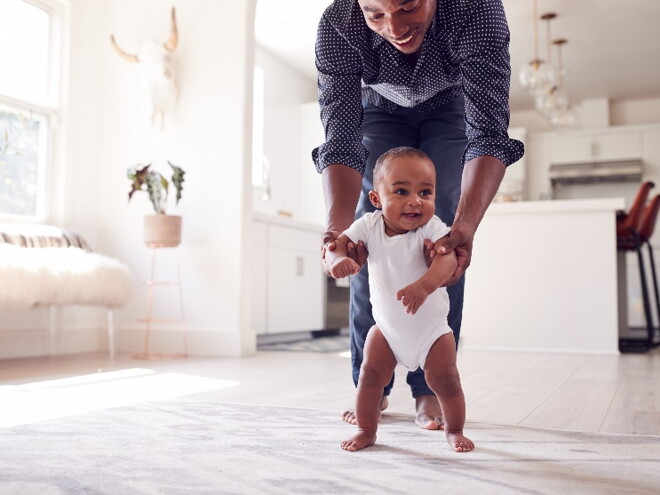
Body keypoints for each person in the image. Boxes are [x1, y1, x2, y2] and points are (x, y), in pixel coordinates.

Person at [312, 0, 524, 429]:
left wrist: (464, 226)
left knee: (441, 234)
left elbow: (487, 133)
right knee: (364, 238)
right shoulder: (338, 24)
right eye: (376, 14)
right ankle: (370, 383)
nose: (394, 27)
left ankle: (430, 388)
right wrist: (337, 231)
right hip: (377, 109)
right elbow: (341, 141)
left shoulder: (476, 10)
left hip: (451, 106)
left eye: (407, 7)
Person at [326, 147, 473, 452]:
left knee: (446, 380)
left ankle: (454, 430)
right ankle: (367, 430)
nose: (415, 200)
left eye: (425, 191)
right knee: (369, 376)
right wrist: (338, 258)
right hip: (387, 330)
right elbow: (339, 243)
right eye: (401, 191)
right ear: (377, 199)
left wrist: (424, 286)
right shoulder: (369, 225)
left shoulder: (432, 228)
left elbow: (446, 261)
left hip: (432, 332)